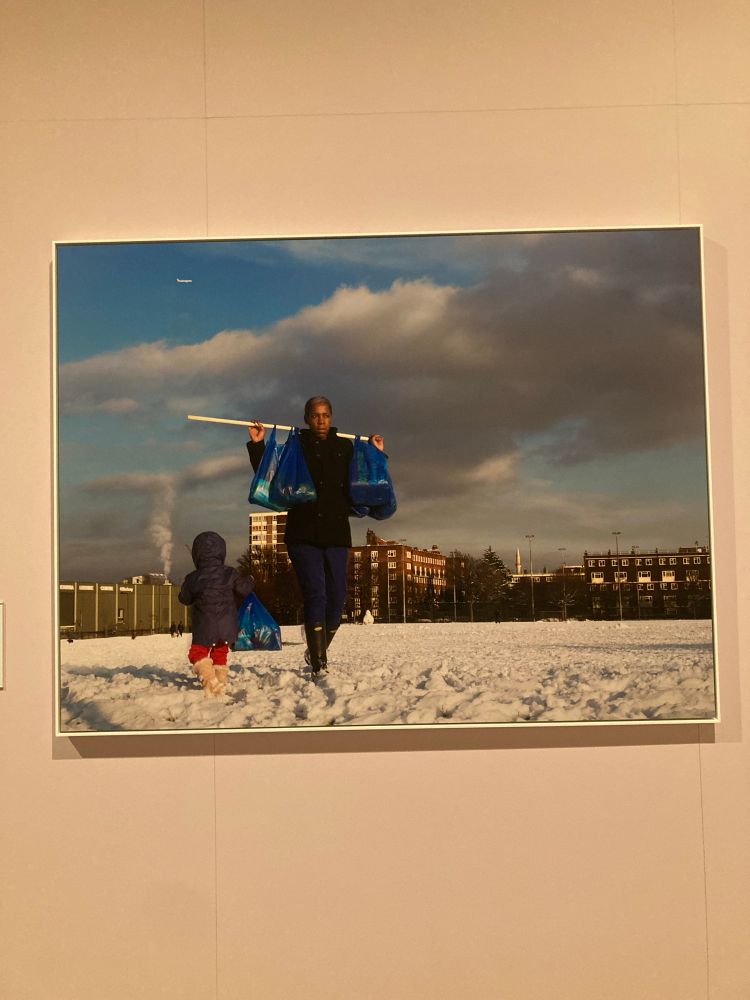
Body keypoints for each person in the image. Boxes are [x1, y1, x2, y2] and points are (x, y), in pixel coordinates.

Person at [247, 396, 384, 678]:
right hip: (302, 532)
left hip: (336, 532)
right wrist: (258, 445)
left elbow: (366, 476)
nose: (321, 421)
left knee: (337, 598)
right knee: (316, 594)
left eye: (326, 415)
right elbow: (272, 474)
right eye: (315, 415)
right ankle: (320, 663)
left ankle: (315, 649)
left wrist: (377, 453)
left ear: (331, 417)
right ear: (307, 418)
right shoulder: (297, 445)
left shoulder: (345, 447)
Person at [179, 530, 253, 697]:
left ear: (196, 555)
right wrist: (251, 580)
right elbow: (244, 589)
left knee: (197, 652)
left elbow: (184, 598)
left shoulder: (193, 578)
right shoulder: (230, 573)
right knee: (220, 651)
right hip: (227, 624)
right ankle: (220, 682)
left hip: (204, 624)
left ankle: (210, 679)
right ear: (222, 551)